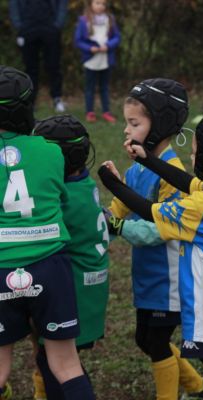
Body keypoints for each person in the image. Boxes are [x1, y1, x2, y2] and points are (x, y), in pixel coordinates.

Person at [98, 111, 203, 400]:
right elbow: (188, 182)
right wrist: (147, 159)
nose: (191, 156)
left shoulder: (202, 207)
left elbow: (149, 212)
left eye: (194, 152)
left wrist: (113, 185)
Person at [102, 78, 203, 400]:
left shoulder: (171, 173)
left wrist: (117, 227)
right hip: (148, 276)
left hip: (170, 277)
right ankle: (197, 387)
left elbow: (158, 230)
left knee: (157, 342)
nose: (126, 130)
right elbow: (118, 209)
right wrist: (98, 219)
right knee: (145, 340)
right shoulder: (137, 167)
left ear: (160, 124)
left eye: (134, 123)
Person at [0, 65, 96, 400]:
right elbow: (59, 197)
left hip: (1, 265)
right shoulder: (52, 151)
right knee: (66, 365)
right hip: (49, 265)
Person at [30, 115, 110, 400]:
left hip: (75, 290)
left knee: (58, 364)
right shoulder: (83, 184)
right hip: (90, 286)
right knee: (56, 358)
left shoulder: (62, 199)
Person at [8, 0, 68, 113]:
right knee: (30, 68)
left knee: (53, 66)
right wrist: (19, 25)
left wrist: (58, 24)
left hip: (50, 27)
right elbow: (14, 4)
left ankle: (57, 98)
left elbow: (62, 4)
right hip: (28, 28)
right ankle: (31, 101)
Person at [74, 0, 121, 123]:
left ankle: (106, 112)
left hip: (105, 58)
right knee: (90, 87)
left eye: (103, 4)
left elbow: (116, 37)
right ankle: (90, 112)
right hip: (91, 59)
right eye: (97, 3)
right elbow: (78, 40)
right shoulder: (84, 20)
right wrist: (90, 48)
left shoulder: (110, 19)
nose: (100, 6)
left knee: (104, 87)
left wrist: (108, 45)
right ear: (90, 4)